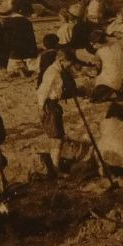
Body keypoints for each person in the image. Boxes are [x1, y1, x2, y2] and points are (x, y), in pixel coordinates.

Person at [36, 43, 77, 178]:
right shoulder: (52, 73)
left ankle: (56, 164)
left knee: (58, 137)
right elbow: (42, 91)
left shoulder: (57, 71)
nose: (69, 67)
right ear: (61, 61)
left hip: (54, 105)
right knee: (57, 138)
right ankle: (55, 169)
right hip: (49, 106)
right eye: (68, 64)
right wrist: (41, 108)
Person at [0, 1, 37, 76]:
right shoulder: (27, 21)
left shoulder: (8, 24)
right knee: (33, 69)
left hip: (15, 53)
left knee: (11, 71)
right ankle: (26, 70)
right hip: (29, 51)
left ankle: (17, 70)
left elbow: (7, 41)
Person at [90, 28, 123, 97]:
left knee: (95, 91)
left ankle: (112, 93)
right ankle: (117, 91)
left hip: (109, 83)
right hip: (122, 81)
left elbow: (98, 70)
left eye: (93, 44)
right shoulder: (118, 46)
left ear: (96, 43)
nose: (94, 47)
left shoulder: (99, 52)